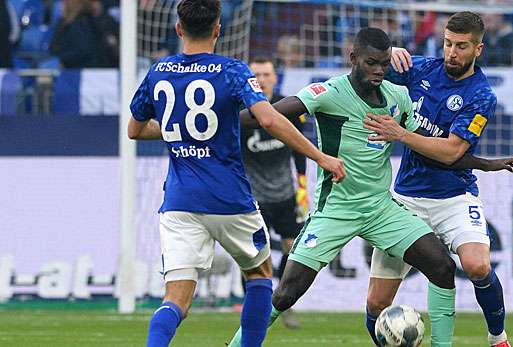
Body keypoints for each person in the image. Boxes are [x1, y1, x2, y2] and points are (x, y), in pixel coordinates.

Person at [230, 27, 465, 347]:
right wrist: (218, 121)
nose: (380, 70)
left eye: (384, 63)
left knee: (442, 266)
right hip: (336, 209)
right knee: (286, 294)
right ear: (353, 58)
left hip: (381, 208)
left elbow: (427, 144)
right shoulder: (327, 93)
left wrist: (480, 162)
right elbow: (265, 116)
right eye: (372, 63)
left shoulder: (398, 97)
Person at [127, 1, 345, 346]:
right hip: (231, 200)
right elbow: (270, 119)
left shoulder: (158, 71)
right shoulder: (231, 70)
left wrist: (178, 132)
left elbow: (135, 130)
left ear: (178, 28)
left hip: (180, 203)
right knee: (260, 274)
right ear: (218, 29)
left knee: (177, 300)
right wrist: (320, 157)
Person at [363, 11, 513, 347]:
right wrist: (388, 56)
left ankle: (498, 337)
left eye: (461, 46)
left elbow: (451, 152)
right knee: (377, 305)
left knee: (477, 265)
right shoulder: (421, 69)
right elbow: (367, 72)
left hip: (454, 197)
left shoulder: (481, 95)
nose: (452, 52)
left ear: (478, 49)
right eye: (448, 43)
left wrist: (400, 134)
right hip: (406, 200)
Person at [240, 57, 306, 328]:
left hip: (286, 194)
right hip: (254, 197)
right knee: (255, 254)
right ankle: (253, 308)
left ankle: (284, 301)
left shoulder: (288, 108)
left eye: (267, 74)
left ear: (275, 78)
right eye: (257, 74)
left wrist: (302, 187)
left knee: (293, 249)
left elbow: (300, 148)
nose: (263, 79)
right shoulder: (243, 113)